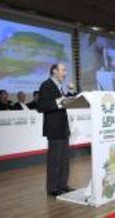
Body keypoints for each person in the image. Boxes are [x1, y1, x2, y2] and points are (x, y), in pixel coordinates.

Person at [37, 63, 73, 196]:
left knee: (64, 159)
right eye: (63, 70)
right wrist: (59, 102)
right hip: (54, 128)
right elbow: (41, 106)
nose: (65, 73)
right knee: (54, 160)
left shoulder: (59, 87)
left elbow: (63, 102)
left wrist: (70, 94)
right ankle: (53, 188)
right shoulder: (46, 85)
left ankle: (63, 185)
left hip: (63, 128)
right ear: (54, 71)